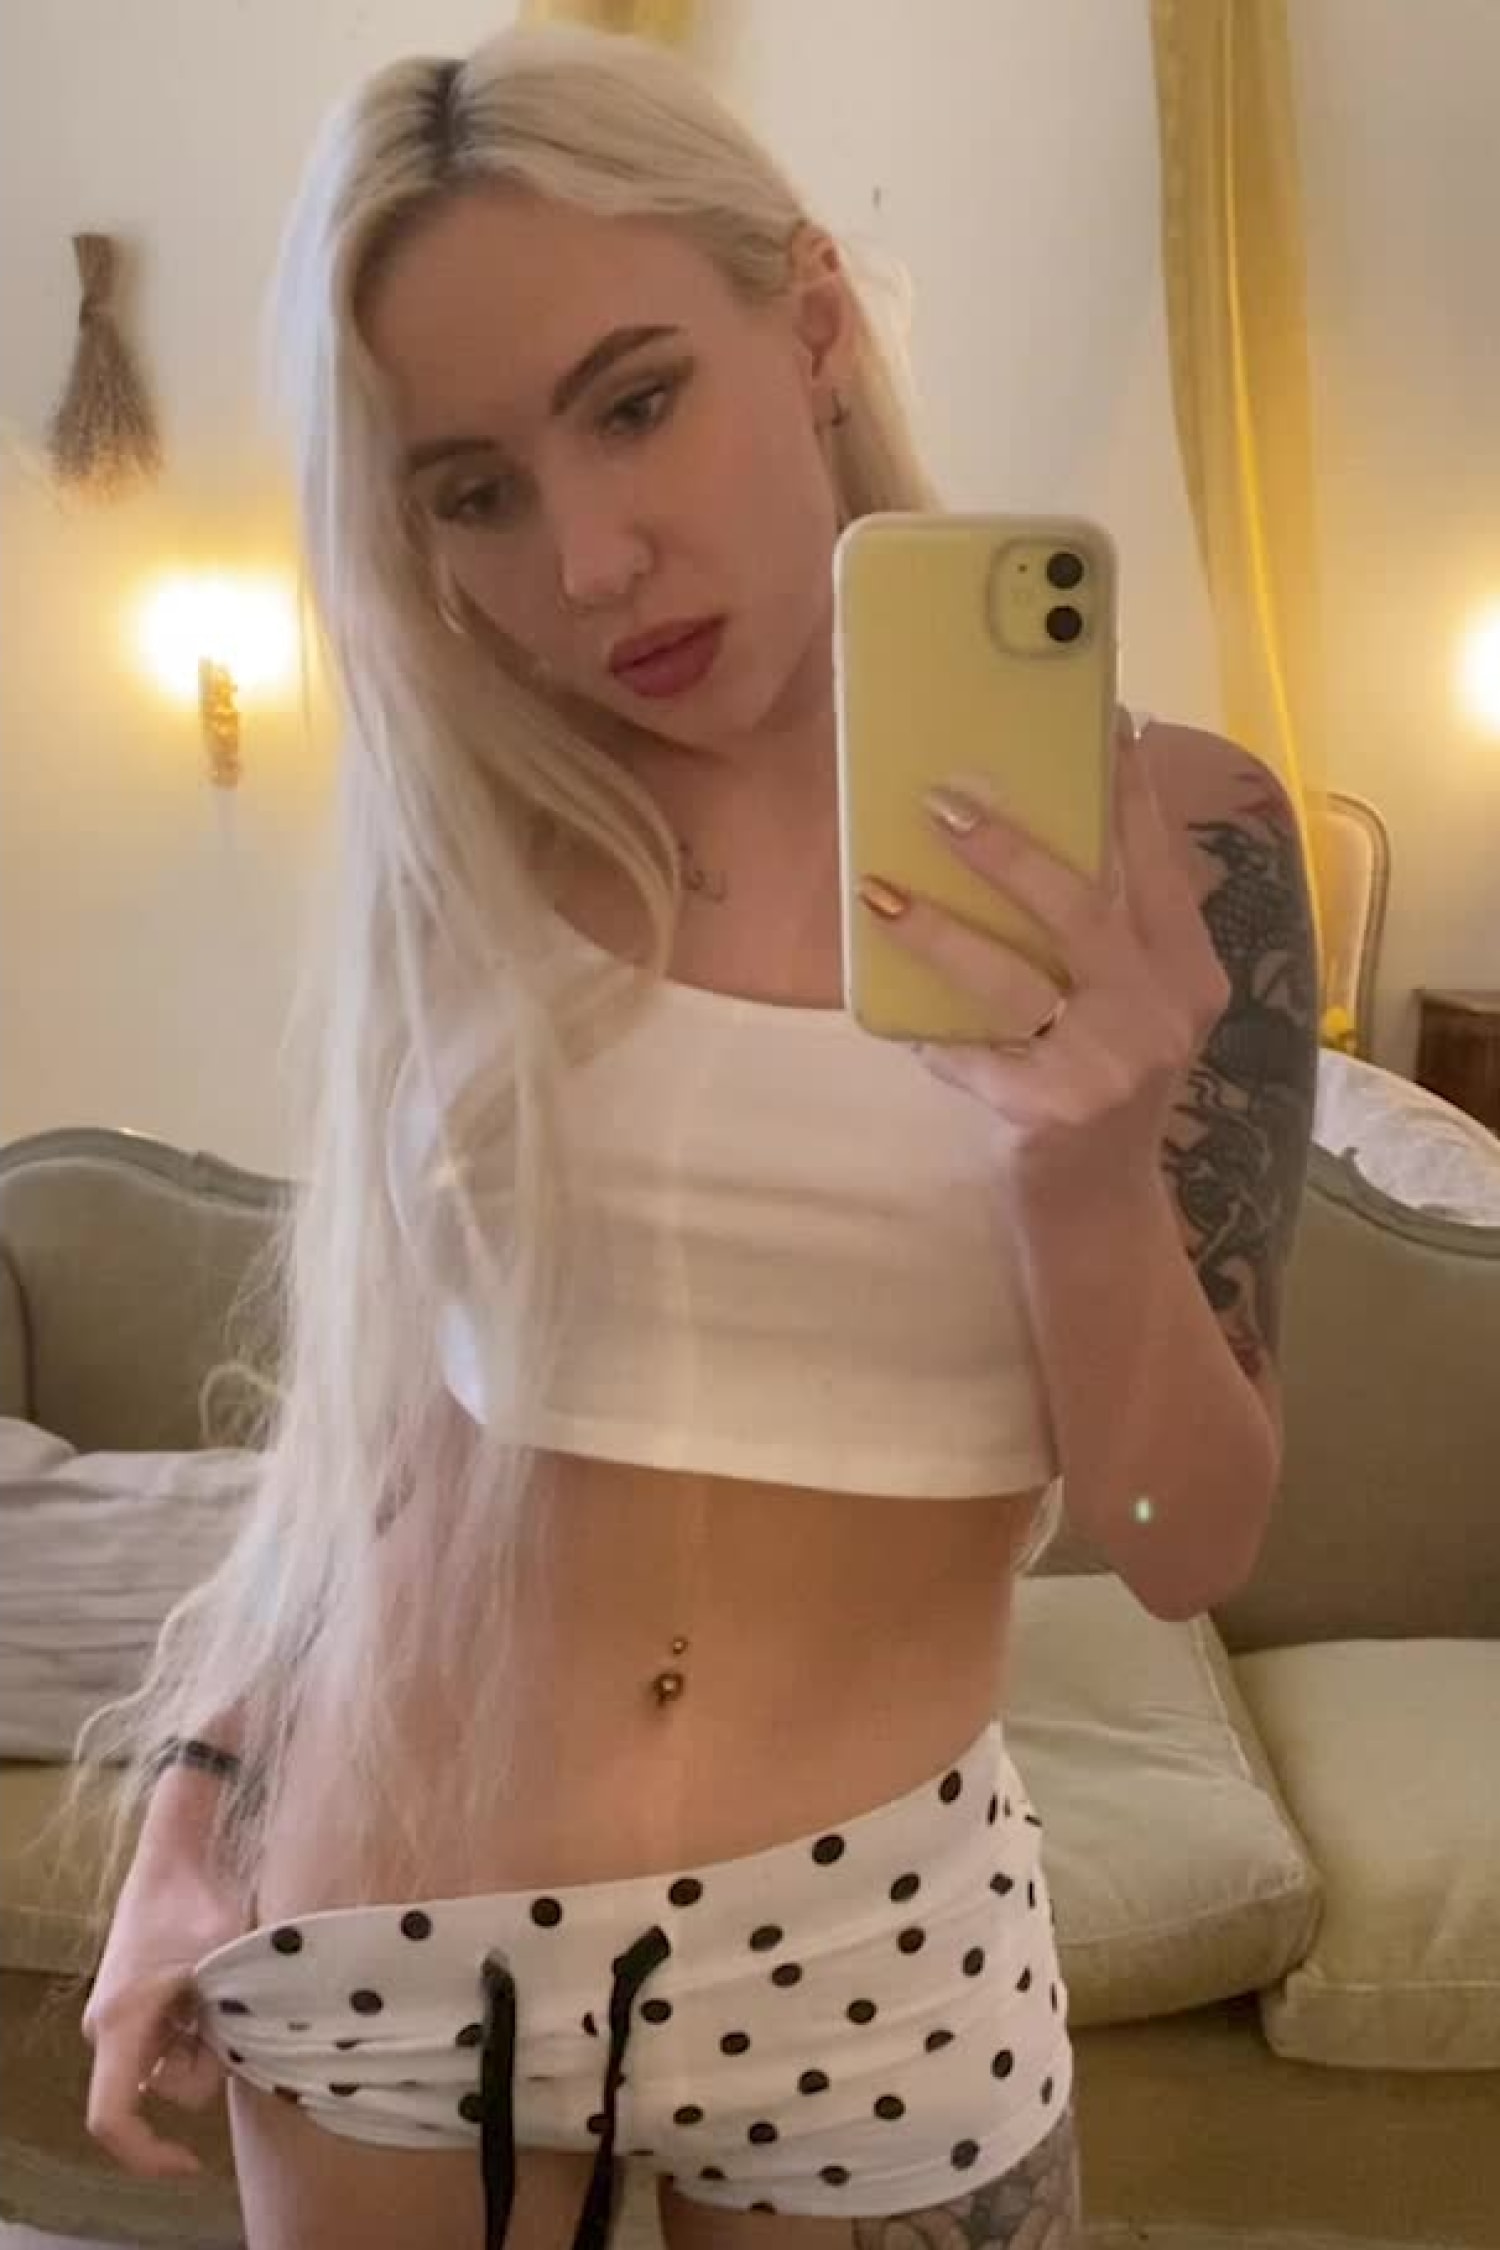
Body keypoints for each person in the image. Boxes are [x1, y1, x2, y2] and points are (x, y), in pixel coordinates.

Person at [75, 22, 1319, 2250]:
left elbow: (1179, 1541)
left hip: (873, 1951)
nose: (591, 559)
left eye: (636, 401)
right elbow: (389, 1426)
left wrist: (1081, 1172)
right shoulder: (472, 837)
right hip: (396, 1901)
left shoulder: (1177, 838)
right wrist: (193, 1804)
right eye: (472, 491)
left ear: (812, 320)